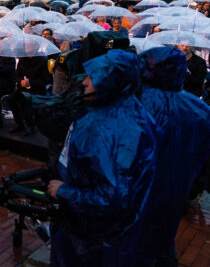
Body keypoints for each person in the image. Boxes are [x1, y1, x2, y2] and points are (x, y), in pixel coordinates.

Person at [47, 49, 157, 267]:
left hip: (94, 240)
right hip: (93, 233)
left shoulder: (114, 128)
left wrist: (64, 191)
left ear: (112, 81)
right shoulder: (118, 112)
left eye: (93, 77)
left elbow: (112, 198)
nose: (85, 83)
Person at [137, 47, 210, 266]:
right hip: (178, 186)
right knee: (163, 235)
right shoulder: (200, 109)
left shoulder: (138, 103)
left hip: (139, 189)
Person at [7, 55, 51, 135]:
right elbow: (17, 75)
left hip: (37, 89)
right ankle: (19, 124)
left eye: (30, 46)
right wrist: (21, 82)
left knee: (26, 101)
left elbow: (46, 80)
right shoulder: (22, 59)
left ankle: (31, 127)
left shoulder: (43, 60)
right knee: (11, 99)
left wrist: (30, 83)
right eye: (27, 46)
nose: (28, 49)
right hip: (23, 88)